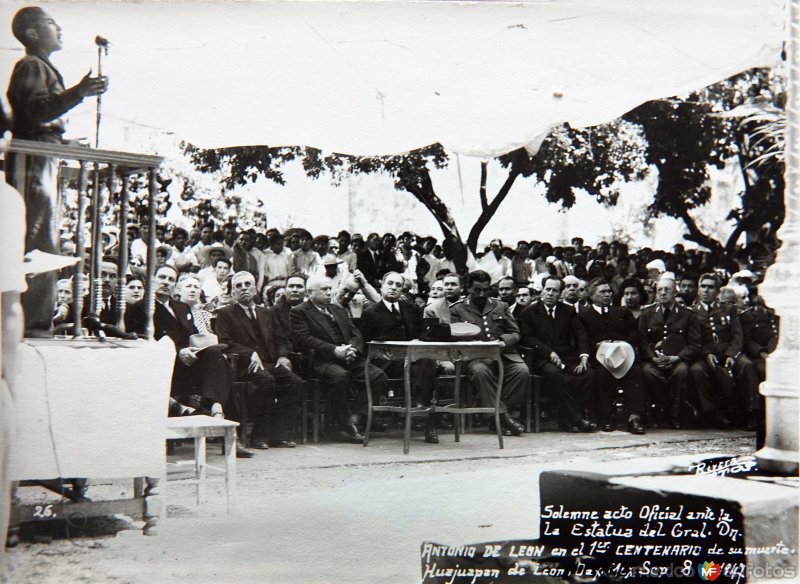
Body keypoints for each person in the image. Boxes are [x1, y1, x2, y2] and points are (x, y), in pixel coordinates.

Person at [6, 7, 108, 336]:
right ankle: (32, 324)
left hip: (42, 163)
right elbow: (34, 114)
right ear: (32, 33)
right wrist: (78, 92)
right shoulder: (31, 65)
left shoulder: (40, 66)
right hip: (33, 166)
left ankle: (35, 321)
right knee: (38, 243)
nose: (60, 27)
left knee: (43, 240)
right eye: (51, 23)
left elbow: (41, 119)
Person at [124, 265, 250, 456]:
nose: (166, 282)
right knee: (221, 371)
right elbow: (142, 342)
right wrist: (177, 351)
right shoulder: (139, 308)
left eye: (171, 279)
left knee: (216, 357)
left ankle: (218, 413)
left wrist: (194, 349)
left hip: (186, 366)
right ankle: (222, 420)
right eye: (162, 277)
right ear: (152, 280)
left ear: (175, 285)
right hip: (161, 368)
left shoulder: (181, 307)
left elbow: (191, 337)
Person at [290, 275, 388, 443]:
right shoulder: (299, 312)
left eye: (330, 288)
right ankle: (342, 425)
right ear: (309, 292)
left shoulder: (338, 309)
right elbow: (304, 339)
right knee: (341, 377)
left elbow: (355, 332)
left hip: (347, 356)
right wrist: (334, 350)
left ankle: (354, 418)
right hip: (320, 360)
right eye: (324, 290)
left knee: (378, 376)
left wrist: (353, 349)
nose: (330, 292)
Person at [215, 271, 302, 449]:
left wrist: (283, 356)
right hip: (243, 365)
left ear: (255, 289)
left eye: (247, 284)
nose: (243, 288)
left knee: (295, 382)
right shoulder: (225, 313)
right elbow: (224, 342)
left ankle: (278, 434)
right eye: (238, 286)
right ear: (233, 293)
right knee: (267, 381)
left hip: (270, 363)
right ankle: (258, 435)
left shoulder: (267, 313)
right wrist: (248, 353)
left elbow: (281, 339)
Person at [359, 272, 439, 443]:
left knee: (427, 362)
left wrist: (420, 340)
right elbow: (366, 345)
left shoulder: (411, 309)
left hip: (412, 358)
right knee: (418, 367)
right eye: (390, 283)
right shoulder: (370, 313)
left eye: (398, 285)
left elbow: (422, 334)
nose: (393, 288)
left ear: (402, 289)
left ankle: (422, 411)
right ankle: (423, 416)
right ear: (382, 286)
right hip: (387, 361)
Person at [450, 270, 528, 436]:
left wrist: (503, 341)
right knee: (480, 372)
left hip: (502, 354)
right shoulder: (457, 309)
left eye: (486, 289)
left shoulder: (500, 306)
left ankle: (497, 416)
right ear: (468, 289)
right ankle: (503, 418)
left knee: (521, 371)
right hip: (474, 358)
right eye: (477, 290)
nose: (482, 294)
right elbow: (454, 337)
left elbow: (515, 332)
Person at [518, 275, 597, 433]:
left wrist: (583, 356)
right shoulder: (529, 312)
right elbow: (528, 338)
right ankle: (576, 419)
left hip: (566, 357)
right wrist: (549, 352)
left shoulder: (568, 311)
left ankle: (567, 419)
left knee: (588, 374)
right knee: (555, 374)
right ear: (542, 291)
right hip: (541, 359)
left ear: (561, 293)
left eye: (555, 290)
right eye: (547, 289)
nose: (550, 293)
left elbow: (580, 334)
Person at [689, 273, 757, 429]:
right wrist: (706, 353)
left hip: (728, 352)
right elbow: (694, 339)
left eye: (710, 287)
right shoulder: (692, 312)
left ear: (717, 291)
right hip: (706, 354)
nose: (706, 291)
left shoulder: (729, 309)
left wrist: (731, 354)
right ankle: (712, 412)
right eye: (703, 287)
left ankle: (751, 412)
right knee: (697, 370)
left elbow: (737, 335)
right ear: (699, 290)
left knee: (746, 365)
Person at [578, 278, 646, 434]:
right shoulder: (584, 315)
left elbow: (634, 333)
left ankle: (634, 418)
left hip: (623, 357)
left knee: (635, 372)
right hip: (600, 359)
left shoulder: (622, 311)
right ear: (592, 295)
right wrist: (598, 344)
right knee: (601, 375)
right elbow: (582, 338)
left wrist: (621, 343)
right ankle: (606, 417)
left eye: (609, 291)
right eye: (602, 292)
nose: (607, 295)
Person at [638, 277, 700, 429]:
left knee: (681, 371)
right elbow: (642, 342)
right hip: (654, 360)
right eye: (660, 290)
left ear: (675, 292)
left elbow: (694, 344)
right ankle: (668, 409)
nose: (663, 293)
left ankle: (674, 415)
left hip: (677, 359)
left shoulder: (687, 315)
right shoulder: (647, 313)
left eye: (667, 289)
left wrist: (677, 358)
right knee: (647, 371)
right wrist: (653, 358)